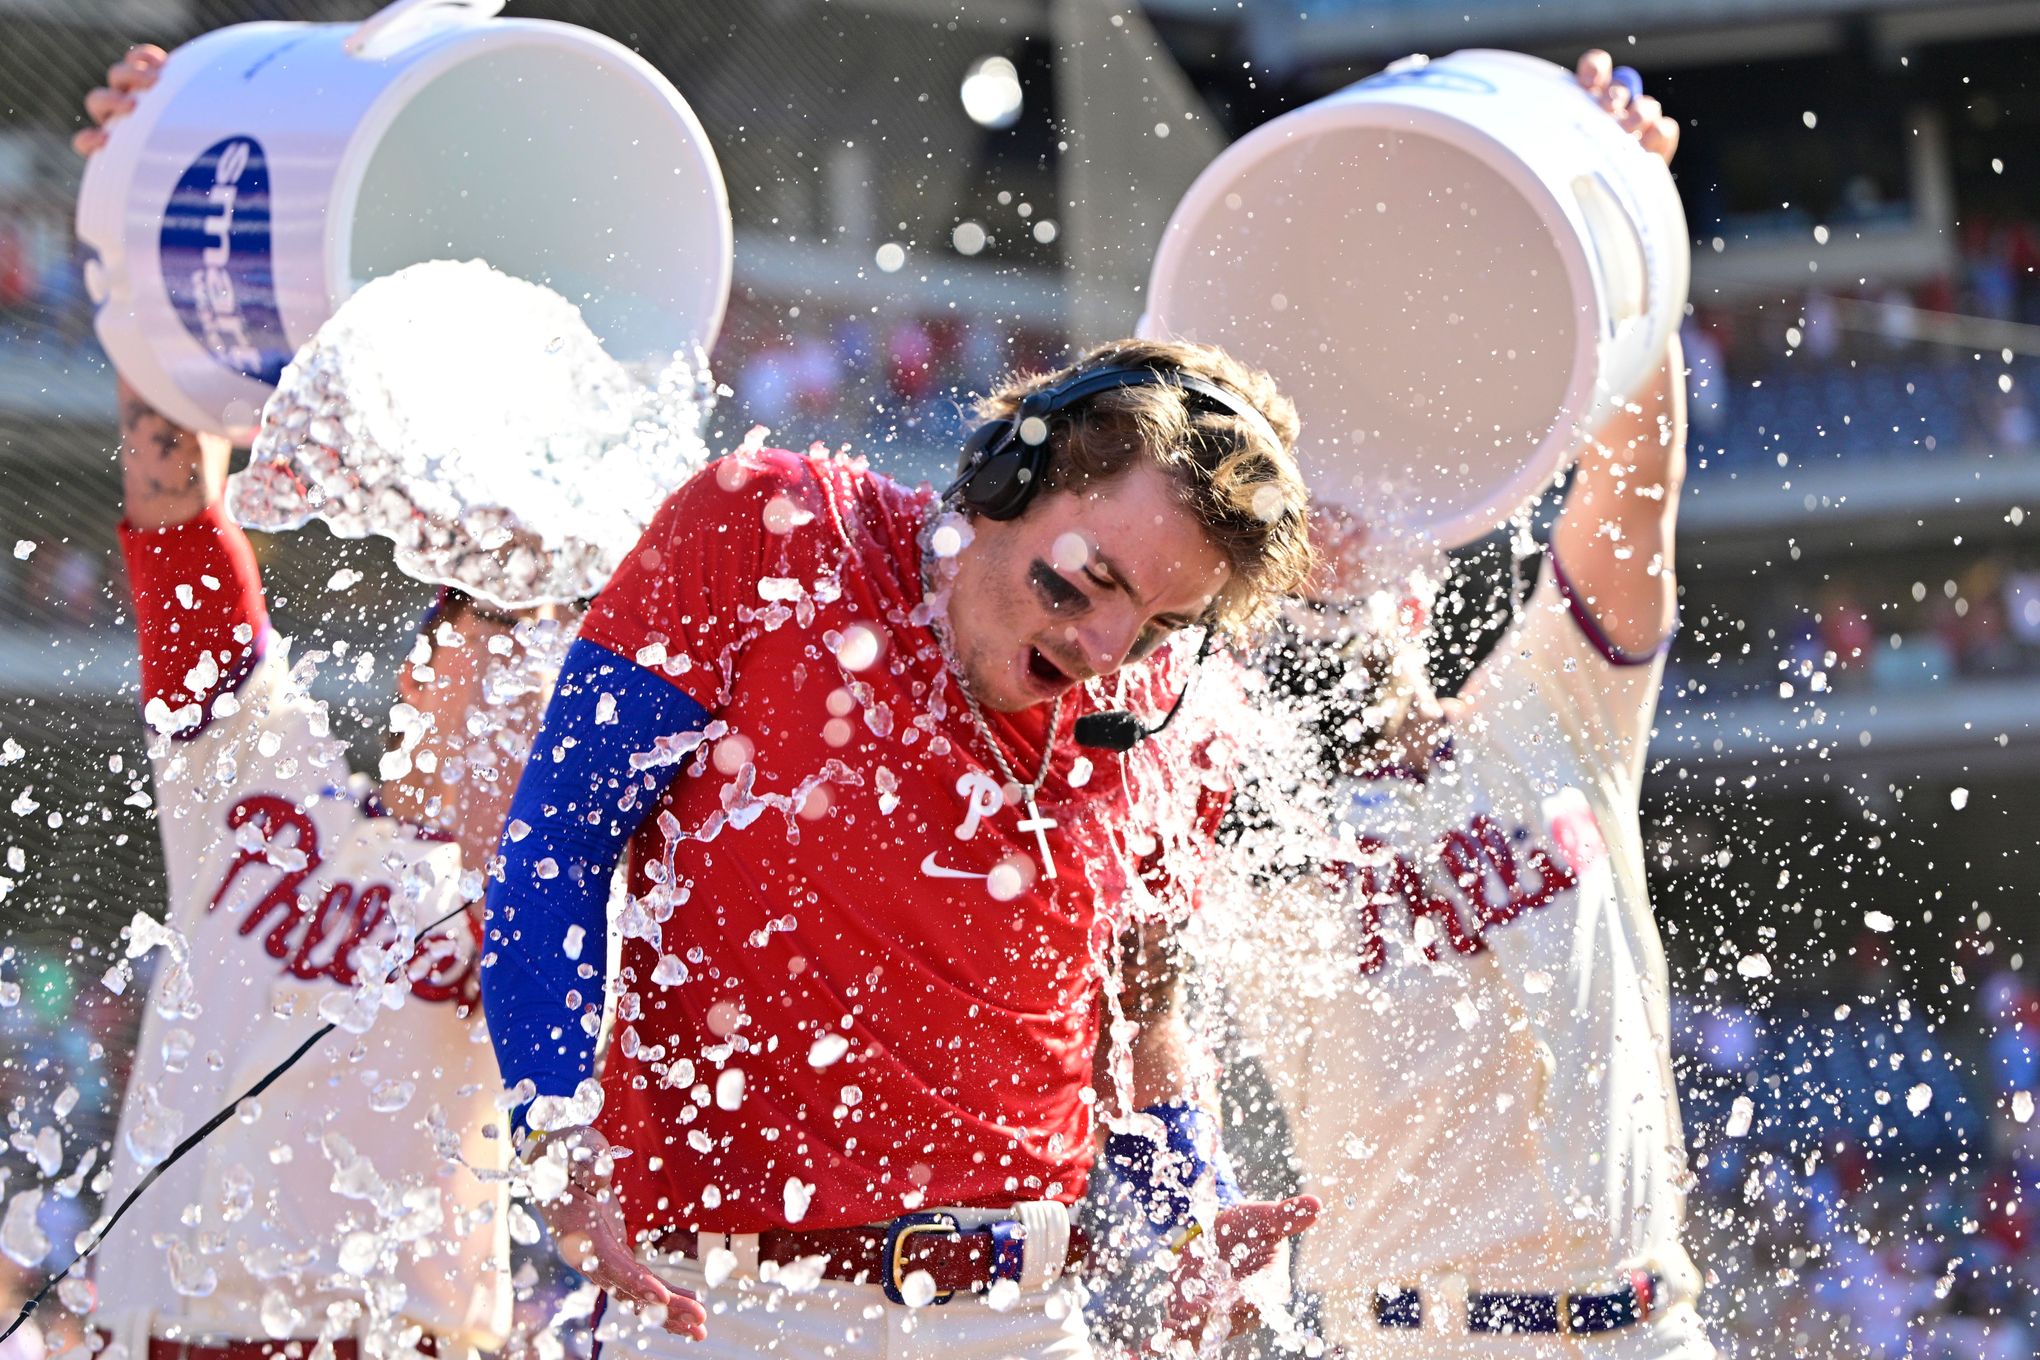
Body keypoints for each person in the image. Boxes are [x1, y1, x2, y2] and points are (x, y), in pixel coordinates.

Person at [482, 339, 1323, 1357]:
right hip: (730, 1308)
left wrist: (1190, 1201)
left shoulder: (1166, 716)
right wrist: (558, 1136)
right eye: (1086, 583)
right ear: (1008, 474)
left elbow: (1146, 1017)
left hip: (1028, 1315)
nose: (1105, 650)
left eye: (1154, 627)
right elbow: (556, 847)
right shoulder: (766, 527)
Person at [75, 46, 571, 1359]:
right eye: (505, 641)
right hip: (162, 1334)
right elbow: (172, 499)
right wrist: (153, 192)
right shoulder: (257, 770)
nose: (538, 685)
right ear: (423, 669)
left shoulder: (565, 900)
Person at [1231, 52, 1717, 1359]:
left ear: (1415, 599)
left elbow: (1632, 491)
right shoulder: (1232, 810)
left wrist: (1623, 233)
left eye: (1359, 561)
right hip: (1411, 1339)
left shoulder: (1540, 712)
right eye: (1292, 572)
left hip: (1644, 1329)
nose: (1337, 560)